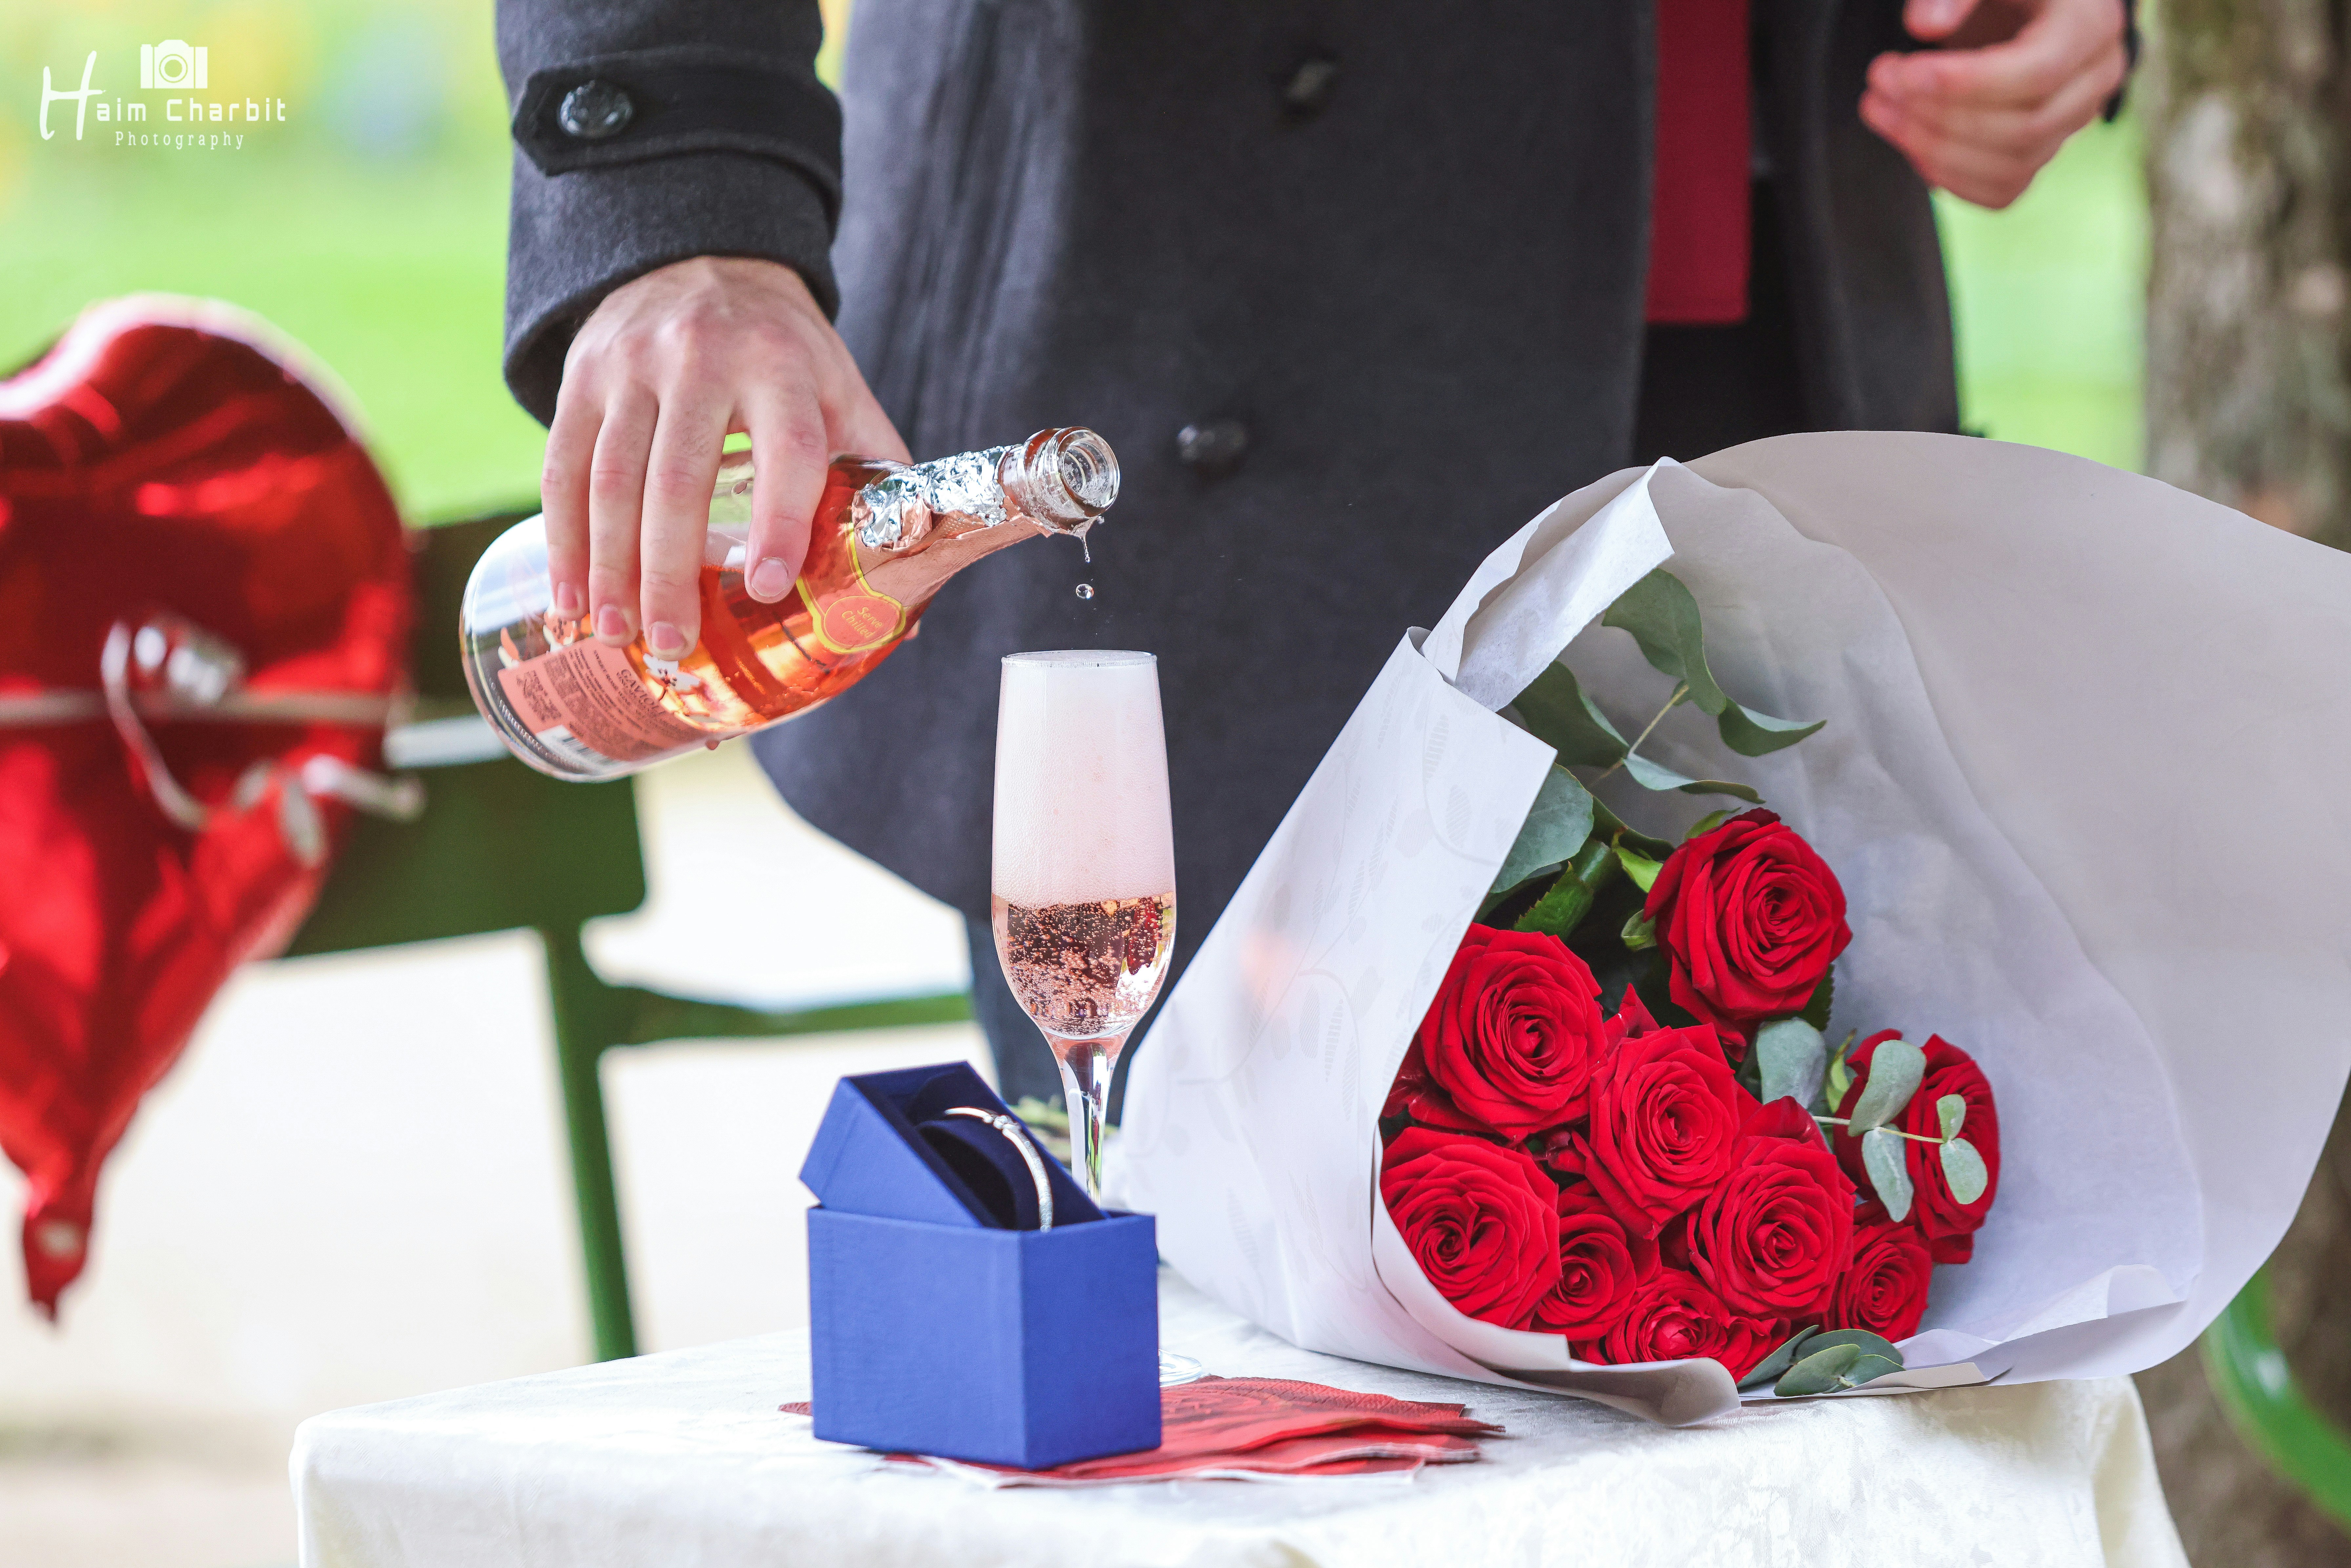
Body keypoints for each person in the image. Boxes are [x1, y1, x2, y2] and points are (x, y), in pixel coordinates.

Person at [495, 0, 2131, 1105]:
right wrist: (674, 181)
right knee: (1232, 1439)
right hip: (1228, 370)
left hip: (1780, 349)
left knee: (1803, 1406)